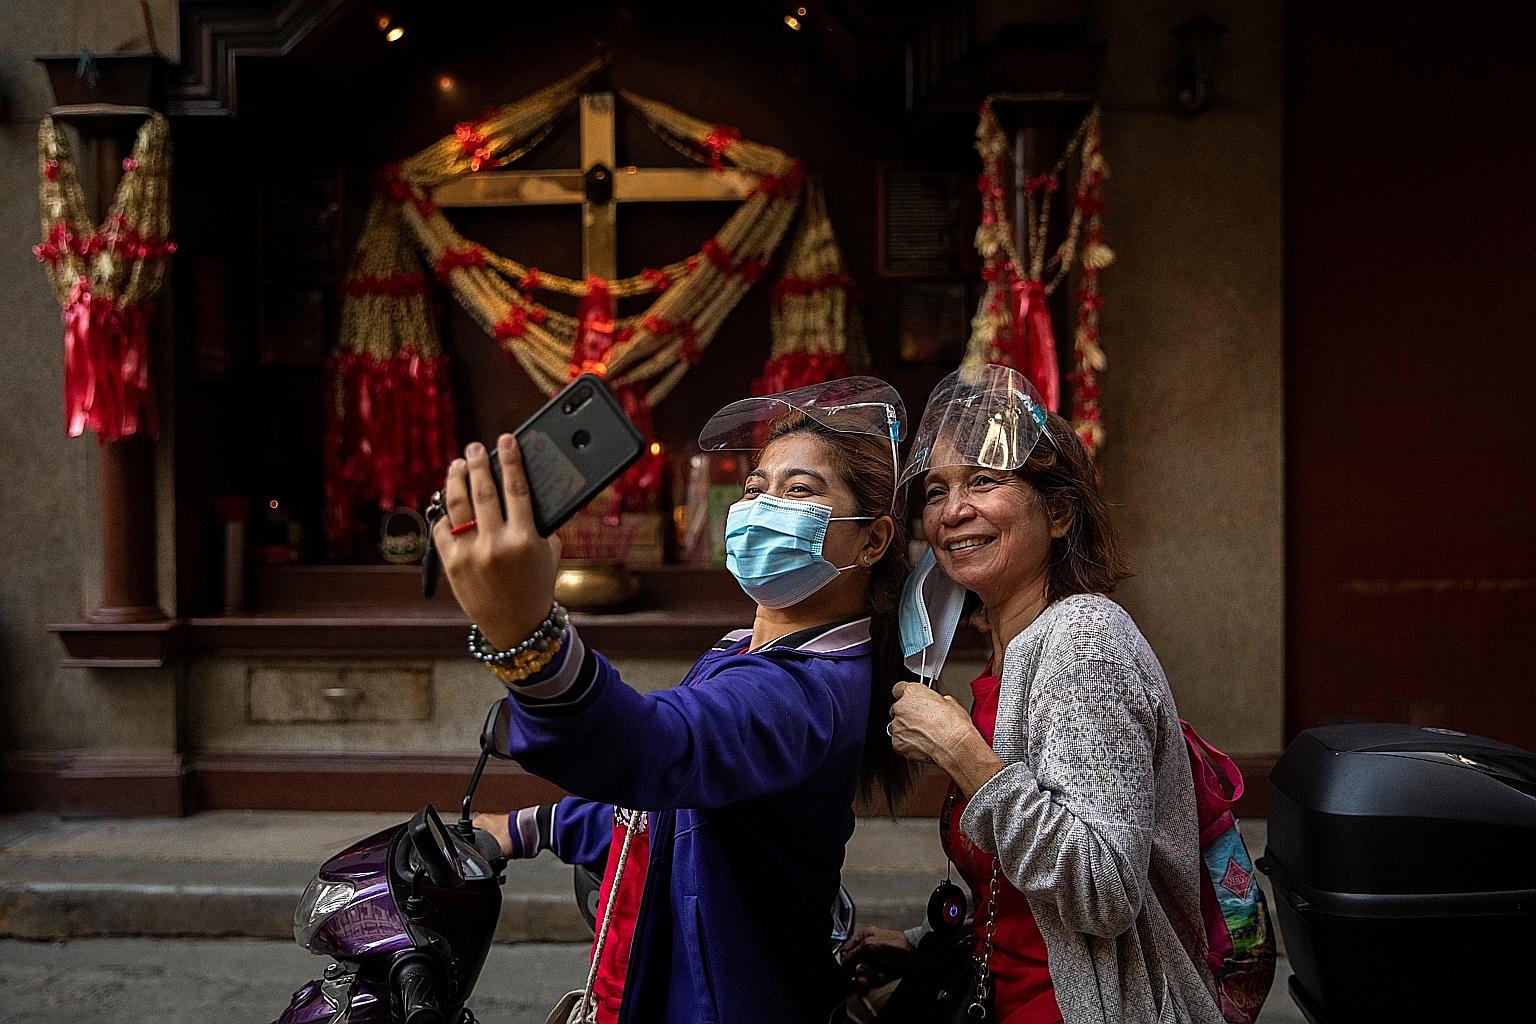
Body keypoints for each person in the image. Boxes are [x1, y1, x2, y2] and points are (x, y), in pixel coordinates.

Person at [435, 378, 913, 1024]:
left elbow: (656, 750)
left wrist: (528, 636)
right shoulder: (743, 648)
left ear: (872, 541)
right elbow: (664, 811)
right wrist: (525, 828)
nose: (762, 505)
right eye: (755, 488)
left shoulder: (807, 695)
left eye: (799, 490)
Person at [841, 364, 1224, 1024]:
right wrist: (932, 943)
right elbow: (1020, 892)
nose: (952, 511)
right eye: (935, 491)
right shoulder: (1010, 650)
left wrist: (967, 757)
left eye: (983, 481)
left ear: (1057, 511)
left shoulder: (1083, 640)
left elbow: (1104, 892)